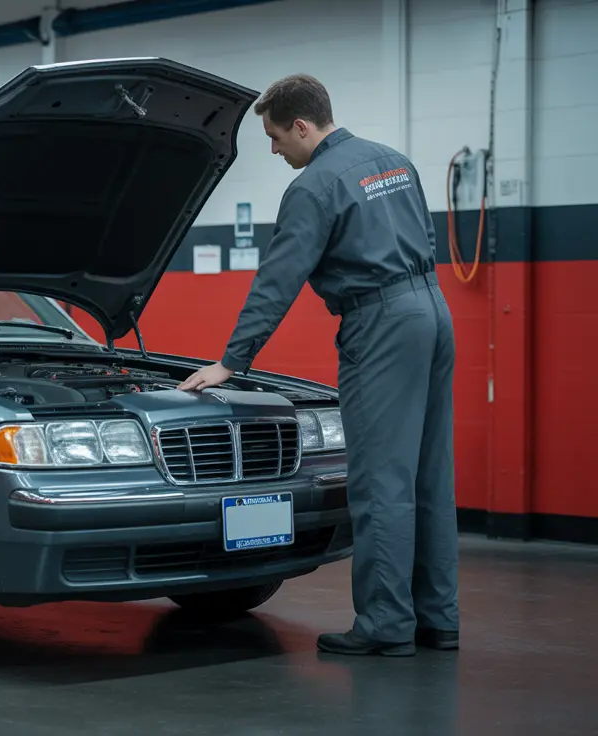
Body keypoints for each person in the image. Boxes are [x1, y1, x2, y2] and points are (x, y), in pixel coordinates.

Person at [177, 74, 460, 657]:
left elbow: (277, 281)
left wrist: (233, 361)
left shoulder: (314, 186)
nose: (277, 151)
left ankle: (385, 624)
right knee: (430, 476)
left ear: (302, 126)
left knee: (381, 481)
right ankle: (439, 618)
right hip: (432, 311)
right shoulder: (393, 161)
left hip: (379, 324)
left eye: (277, 138)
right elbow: (424, 238)